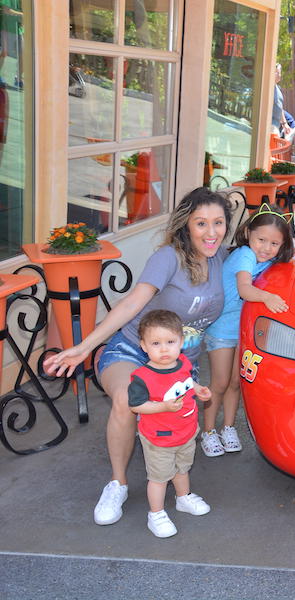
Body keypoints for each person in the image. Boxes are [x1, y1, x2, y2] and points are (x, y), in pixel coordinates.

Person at [44, 187, 231, 526]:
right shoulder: (169, 258)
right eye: (201, 223)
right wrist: (84, 347)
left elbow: (266, 247)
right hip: (132, 349)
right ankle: (118, 483)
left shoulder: (221, 258)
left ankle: (180, 491)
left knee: (173, 427)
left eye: (218, 223)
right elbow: (133, 303)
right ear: (186, 225)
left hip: (179, 365)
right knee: (125, 398)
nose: (211, 232)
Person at [200, 204, 294, 457]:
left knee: (235, 382)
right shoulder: (245, 255)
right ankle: (207, 431)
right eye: (261, 239)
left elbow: (279, 242)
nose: (266, 247)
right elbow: (244, 288)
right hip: (221, 329)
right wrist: (267, 297)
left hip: (241, 329)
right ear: (248, 233)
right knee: (219, 383)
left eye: (274, 244)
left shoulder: (267, 253)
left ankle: (228, 427)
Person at [128, 310, 212, 538]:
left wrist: (198, 389)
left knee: (182, 468)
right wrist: (163, 407)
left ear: (181, 342)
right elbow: (136, 406)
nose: (164, 349)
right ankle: (156, 513)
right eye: (156, 343)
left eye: (170, 342)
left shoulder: (183, 363)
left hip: (185, 432)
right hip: (159, 438)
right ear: (144, 346)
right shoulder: (142, 377)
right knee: (158, 477)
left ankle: (183, 498)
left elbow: (187, 382)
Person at [271, 63, 288, 137]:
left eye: (280, 73)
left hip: (276, 127)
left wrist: (285, 124)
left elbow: (280, 108)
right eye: (277, 72)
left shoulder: (278, 90)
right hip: (269, 127)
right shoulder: (268, 89)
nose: (279, 75)